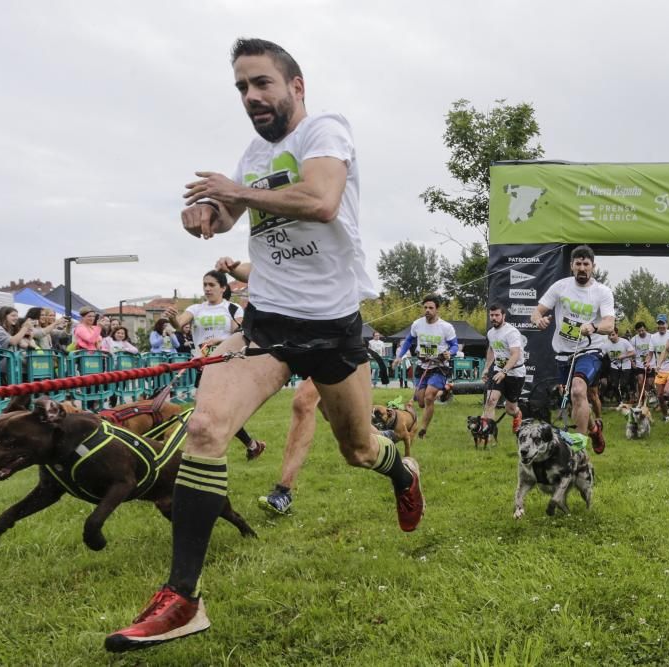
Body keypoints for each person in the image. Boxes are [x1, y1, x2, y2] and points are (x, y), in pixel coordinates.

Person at [105, 38, 423, 653]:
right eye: (241, 88)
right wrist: (201, 217)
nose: (251, 97)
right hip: (267, 325)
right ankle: (183, 599)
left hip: (332, 327)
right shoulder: (253, 155)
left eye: (261, 84)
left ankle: (401, 470)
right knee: (205, 429)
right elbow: (225, 216)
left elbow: (321, 201)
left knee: (359, 450)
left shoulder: (324, 132)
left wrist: (238, 192)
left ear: (295, 87)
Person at [165, 269, 267, 460]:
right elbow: (179, 324)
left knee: (214, 410)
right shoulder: (196, 309)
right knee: (212, 411)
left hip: (227, 364)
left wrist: (219, 341)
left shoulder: (233, 309)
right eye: (204, 285)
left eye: (211, 285)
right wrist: (172, 317)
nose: (207, 289)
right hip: (203, 365)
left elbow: (242, 332)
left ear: (223, 288)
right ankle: (251, 445)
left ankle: (199, 451)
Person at [531, 244, 615, 453]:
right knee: (571, 396)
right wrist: (538, 321)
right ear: (571, 266)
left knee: (578, 389)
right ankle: (594, 429)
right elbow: (537, 312)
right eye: (578, 264)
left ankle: (576, 446)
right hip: (563, 353)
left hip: (589, 351)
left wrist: (593, 326)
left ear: (593, 267)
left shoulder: (602, 292)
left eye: (586, 264)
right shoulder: (560, 287)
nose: (582, 268)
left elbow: (609, 324)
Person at [391, 295, 457, 439]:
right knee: (420, 402)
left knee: (428, 397)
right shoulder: (417, 324)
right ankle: (445, 391)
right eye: (425, 307)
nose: (427, 310)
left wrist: (449, 353)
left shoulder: (446, 327)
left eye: (431, 308)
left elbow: (455, 346)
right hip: (422, 366)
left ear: (437, 309)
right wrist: (399, 357)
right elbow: (408, 340)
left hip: (439, 367)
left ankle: (423, 430)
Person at [479, 303, 525, 435]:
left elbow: (515, 354)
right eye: (491, 315)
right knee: (491, 400)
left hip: (515, 372)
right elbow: (492, 350)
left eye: (497, 315)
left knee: (510, 409)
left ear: (503, 316)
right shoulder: (491, 333)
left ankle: (517, 414)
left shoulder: (511, 332)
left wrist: (504, 371)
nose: (494, 318)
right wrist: (487, 368)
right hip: (498, 370)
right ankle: (488, 434)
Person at [648, 314, 669, 421]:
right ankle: (666, 416)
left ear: (667, 324)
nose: (661, 326)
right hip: (660, 369)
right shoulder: (653, 337)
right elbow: (650, 353)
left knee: (668, 391)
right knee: (660, 395)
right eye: (659, 323)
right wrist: (647, 362)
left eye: (663, 323)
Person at [601, 327, 634, 404]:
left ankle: (628, 395)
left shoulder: (624, 342)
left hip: (625, 365)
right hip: (614, 366)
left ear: (617, 334)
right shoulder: (606, 344)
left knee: (623, 383)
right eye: (609, 335)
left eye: (613, 335)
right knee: (614, 384)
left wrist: (623, 356)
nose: (611, 337)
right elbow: (601, 354)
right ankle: (619, 401)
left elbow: (633, 352)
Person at [630, 321, 652, 402]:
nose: (641, 332)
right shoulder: (633, 340)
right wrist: (632, 362)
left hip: (650, 364)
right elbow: (630, 352)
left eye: (643, 330)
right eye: (639, 331)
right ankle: (640, 398)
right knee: (640, 381)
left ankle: (647, 396)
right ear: (636, 331)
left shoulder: (651, 337)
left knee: (649, 383)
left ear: (645, 329)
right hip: (639, 364)